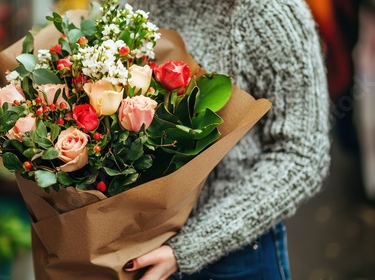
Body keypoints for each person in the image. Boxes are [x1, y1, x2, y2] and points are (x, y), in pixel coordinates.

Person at [122, 1, 332, 279]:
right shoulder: (135, 5)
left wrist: (191, 247)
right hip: (133, 242)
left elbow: (303, 155)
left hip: (235, 254)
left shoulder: (271, 14)